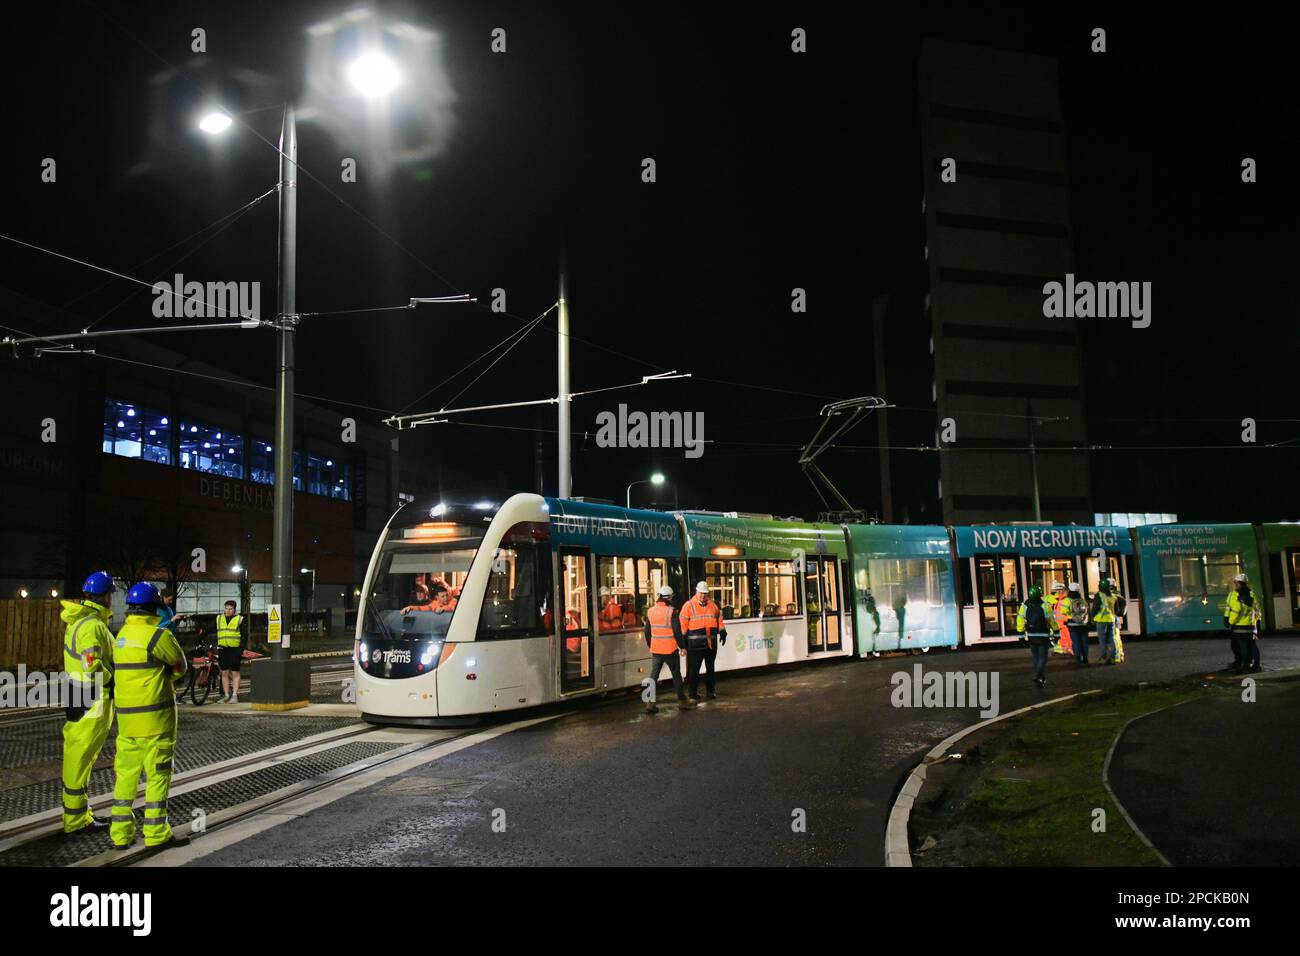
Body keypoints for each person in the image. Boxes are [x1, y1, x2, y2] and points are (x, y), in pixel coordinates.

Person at [109, 582, 188, 850]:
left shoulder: (119, 637)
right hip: (156, 721)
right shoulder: (159, 636)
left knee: (125, 777)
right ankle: (156, 835)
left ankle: (120, 834)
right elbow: (180, 668)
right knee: (157, 777)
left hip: (127, 722)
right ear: (155, 607)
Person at [59, 571, 118, 834]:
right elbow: (91, 664)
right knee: (81, 759)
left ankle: (79, 815)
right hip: (92, 695)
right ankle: (75, 820)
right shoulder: (93, 625)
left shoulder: (79, 621)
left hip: (77, 692)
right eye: (111, 595)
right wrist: (111, 680)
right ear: (105, 596)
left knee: (78, 757)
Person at [643, 586, 693, 713]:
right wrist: (682, 647)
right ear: (669, 598)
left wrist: (651, 645)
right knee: (676, 674)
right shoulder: (672, 611)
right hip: (670, 650)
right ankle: (682, 701)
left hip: (656, 650)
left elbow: (647, 632)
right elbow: (677, 631)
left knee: (653, 675)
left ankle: (650, 704)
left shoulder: (650, 611)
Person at [680, 581, 727, 700]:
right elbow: (683, 624)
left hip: (710, 644)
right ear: (696, 592)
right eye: (701, 593)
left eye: (705, 593)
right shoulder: (688, 606)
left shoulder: (713, 605)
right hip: (695, 645)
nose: (703, 596)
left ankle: (711, 691)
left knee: (710, 669)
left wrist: (722, 630)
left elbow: (719, 618)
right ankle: (692, 693)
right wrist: (683, 641)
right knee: (694, 670)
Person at [1223, 573, 1262, 674]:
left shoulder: (1236, 595)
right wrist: (1257, 623)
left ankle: (1244, 666)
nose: (1235, 584)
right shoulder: (1251, 594)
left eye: (1237, 583)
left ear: (1241, 584)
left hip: (1239, 625)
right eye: (1235, 582)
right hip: (1250, 625)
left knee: (1242, 646)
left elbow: (1236, 610)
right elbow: (1257, 610)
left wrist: (1229, 621)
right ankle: (1256, 665)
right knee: (1252, 645)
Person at [1016, 584, 1052, 688]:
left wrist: (1021, 636)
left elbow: (1020, 620)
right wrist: (1057, 633)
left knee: (1036, 657)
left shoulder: (1025, 605)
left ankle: (1039, 676)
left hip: (1031, 635)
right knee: (1043, 658)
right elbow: (1051, 620)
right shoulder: (1045, 605)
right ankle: (1039, 676)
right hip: (1043, 635)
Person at [215, 600, 246, 703]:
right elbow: (210, 629)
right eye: (226, 608)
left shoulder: (239, 619)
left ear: (234, 610)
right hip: (223, 649)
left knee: (235, 672)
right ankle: (226, 695)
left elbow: (245, 636)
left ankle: (234, 696)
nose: (228, 611)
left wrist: (241, 649)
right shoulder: (219, 618)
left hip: (235, 650)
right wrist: (200, 637)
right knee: (224, 672)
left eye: (230, 609)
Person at [1090, 577, 1118, 664]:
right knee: (1112, 639)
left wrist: (1092, 618)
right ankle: (1113, 658)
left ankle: (1103, 658)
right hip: (1111, 620)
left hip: (1101, 620)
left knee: (1102, 640)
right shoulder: (1113, 596)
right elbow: (1116, 609)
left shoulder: (1099, 595)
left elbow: (1095, 608)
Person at [1062, 582, 1090, 665]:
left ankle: (1078, 658)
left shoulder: (1067, 600)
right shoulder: (1082, 600)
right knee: (1084, 641)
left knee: (1076, 641)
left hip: (1072, 624)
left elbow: (1064, 611)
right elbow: (1086, 611)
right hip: (1083, 624)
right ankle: (1085, 658)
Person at [1048, 582, 1072, 656]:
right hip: (1061, 625)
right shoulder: (1059, 600)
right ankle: (1064, 650)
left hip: (1065, 624)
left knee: (1069, 640)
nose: (1058, 592)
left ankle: (1072, 652)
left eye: (1060, 590)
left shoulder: (1066, 600)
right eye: (1057, 590)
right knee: (1064, 640)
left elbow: (1067, 613)